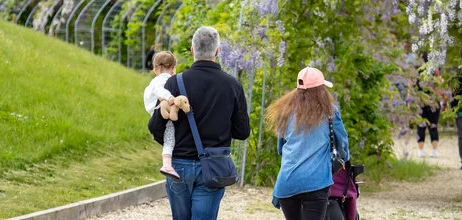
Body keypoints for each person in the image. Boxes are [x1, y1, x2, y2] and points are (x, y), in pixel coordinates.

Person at [148, 26, 250, 220]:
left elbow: (155, 127)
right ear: (218, 51)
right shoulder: (232, 85)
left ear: (192, 50)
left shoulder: (173, 83)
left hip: (178, 165)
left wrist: (173, 144)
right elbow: (242, 131)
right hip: (214, 166)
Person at [267, 67, 349, 220]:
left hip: (287, 182)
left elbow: (281, 149)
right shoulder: (330, 111)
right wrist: (343, 158)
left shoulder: (285, 111)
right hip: (316, 183)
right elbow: (342, 143)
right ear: (321, 90)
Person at [143, 51, 181, 180]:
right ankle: (167, 164)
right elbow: (160, 91)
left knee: (169, 134)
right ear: (173, 68)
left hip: (156, 109)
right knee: (169, 137)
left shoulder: (154, 80)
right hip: (160, 108)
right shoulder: (164, 79)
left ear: (155, 69)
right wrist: (170, 97)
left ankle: (167, 163)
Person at [416, 52, 447, 158]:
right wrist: (444, 101)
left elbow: (411, 87)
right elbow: (440, 87)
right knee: (433, 126)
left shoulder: (417, 72)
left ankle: (420, 151)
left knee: (421, 126)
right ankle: (434, 151)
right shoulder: (435, 72)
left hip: (420, 102)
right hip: (433, 103)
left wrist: (410, 103)